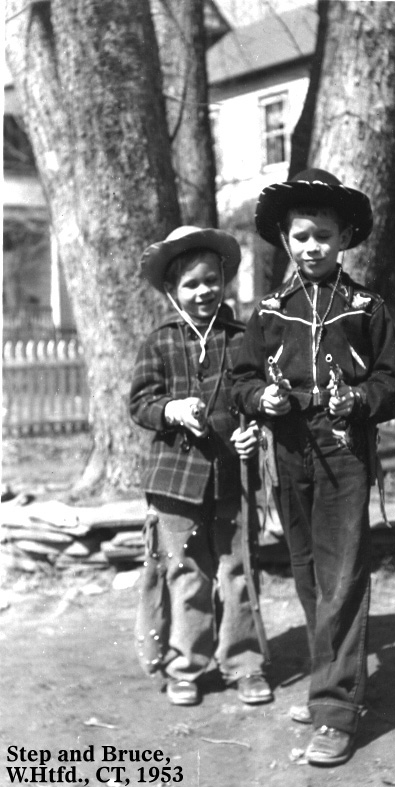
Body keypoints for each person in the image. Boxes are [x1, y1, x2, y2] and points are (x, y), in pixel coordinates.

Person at [231, 169, 395, 765]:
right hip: (288, 450)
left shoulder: (365, 307)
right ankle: (329, 679)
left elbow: (390, 381)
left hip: (342, 449)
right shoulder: (270, 310)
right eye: (301, 236)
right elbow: (242, 378)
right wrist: (262, 399)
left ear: (344, 239)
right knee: (307, 571)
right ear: (286, 240)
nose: (312, 247)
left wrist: (357, 399)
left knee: (343, 573)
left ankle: (334, 710)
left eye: (324, 236)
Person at [129, 225, 272, 708]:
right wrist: (171, 410)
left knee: (238, 570)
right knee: (186, 572)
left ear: (224, 281)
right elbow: (140, 403)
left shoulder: (243, 337)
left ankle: (245, 663)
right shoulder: (160, 342)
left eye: (211, 280)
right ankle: (185, 665)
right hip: (176, 480)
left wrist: (255, 430)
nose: (204, 291)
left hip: (234, 475)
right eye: (191, 284)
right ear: (172, 290)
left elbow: (257, 397)